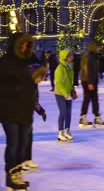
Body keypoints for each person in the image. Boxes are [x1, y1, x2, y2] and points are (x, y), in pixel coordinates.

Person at [0, 32, 35, 190]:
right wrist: (17, 88)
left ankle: (17, 173)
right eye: (22, 44)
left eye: (26, 45)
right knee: (13, 144)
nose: (24, 47)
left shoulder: (25, 63)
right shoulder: (5, 62)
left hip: (25, 111)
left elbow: (30, 87)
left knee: (22, 145)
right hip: (9, 111)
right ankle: (11, 177)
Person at [22, 66, 48, 172]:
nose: (41, 80)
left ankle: (28, 159)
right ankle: (20, 162)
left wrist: (41, 111)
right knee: (22, 139)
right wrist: (41, 111)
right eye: (40, 77)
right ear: (35, 75)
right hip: (20, 114)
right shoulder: (26, 85)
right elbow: (31, 100)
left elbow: (34, 101)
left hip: (28, 115)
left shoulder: (34, 85)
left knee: (29, 138)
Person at [80, 41, 104, 128]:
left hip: (88, 80)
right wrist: (90, 82)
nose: (100, 49)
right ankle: (86, 117)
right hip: (89, 81)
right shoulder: (90, 57)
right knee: (90, 99)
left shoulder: (91, 56)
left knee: (92, 99)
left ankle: (94, 117)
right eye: (98, 47)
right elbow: (88, 69)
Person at [54, 49, 75, 142]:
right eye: (70, 56)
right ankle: (60, 132)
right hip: (60, 93)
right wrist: (65, 94)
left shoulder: (69, 67)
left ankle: (67, 131)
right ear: (65, 58)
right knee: (63, 112)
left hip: (68, 92)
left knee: (68, 113)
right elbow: (59, 83)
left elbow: (70, 80)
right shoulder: (59, 69)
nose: (72, 57)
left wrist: (72, 90)